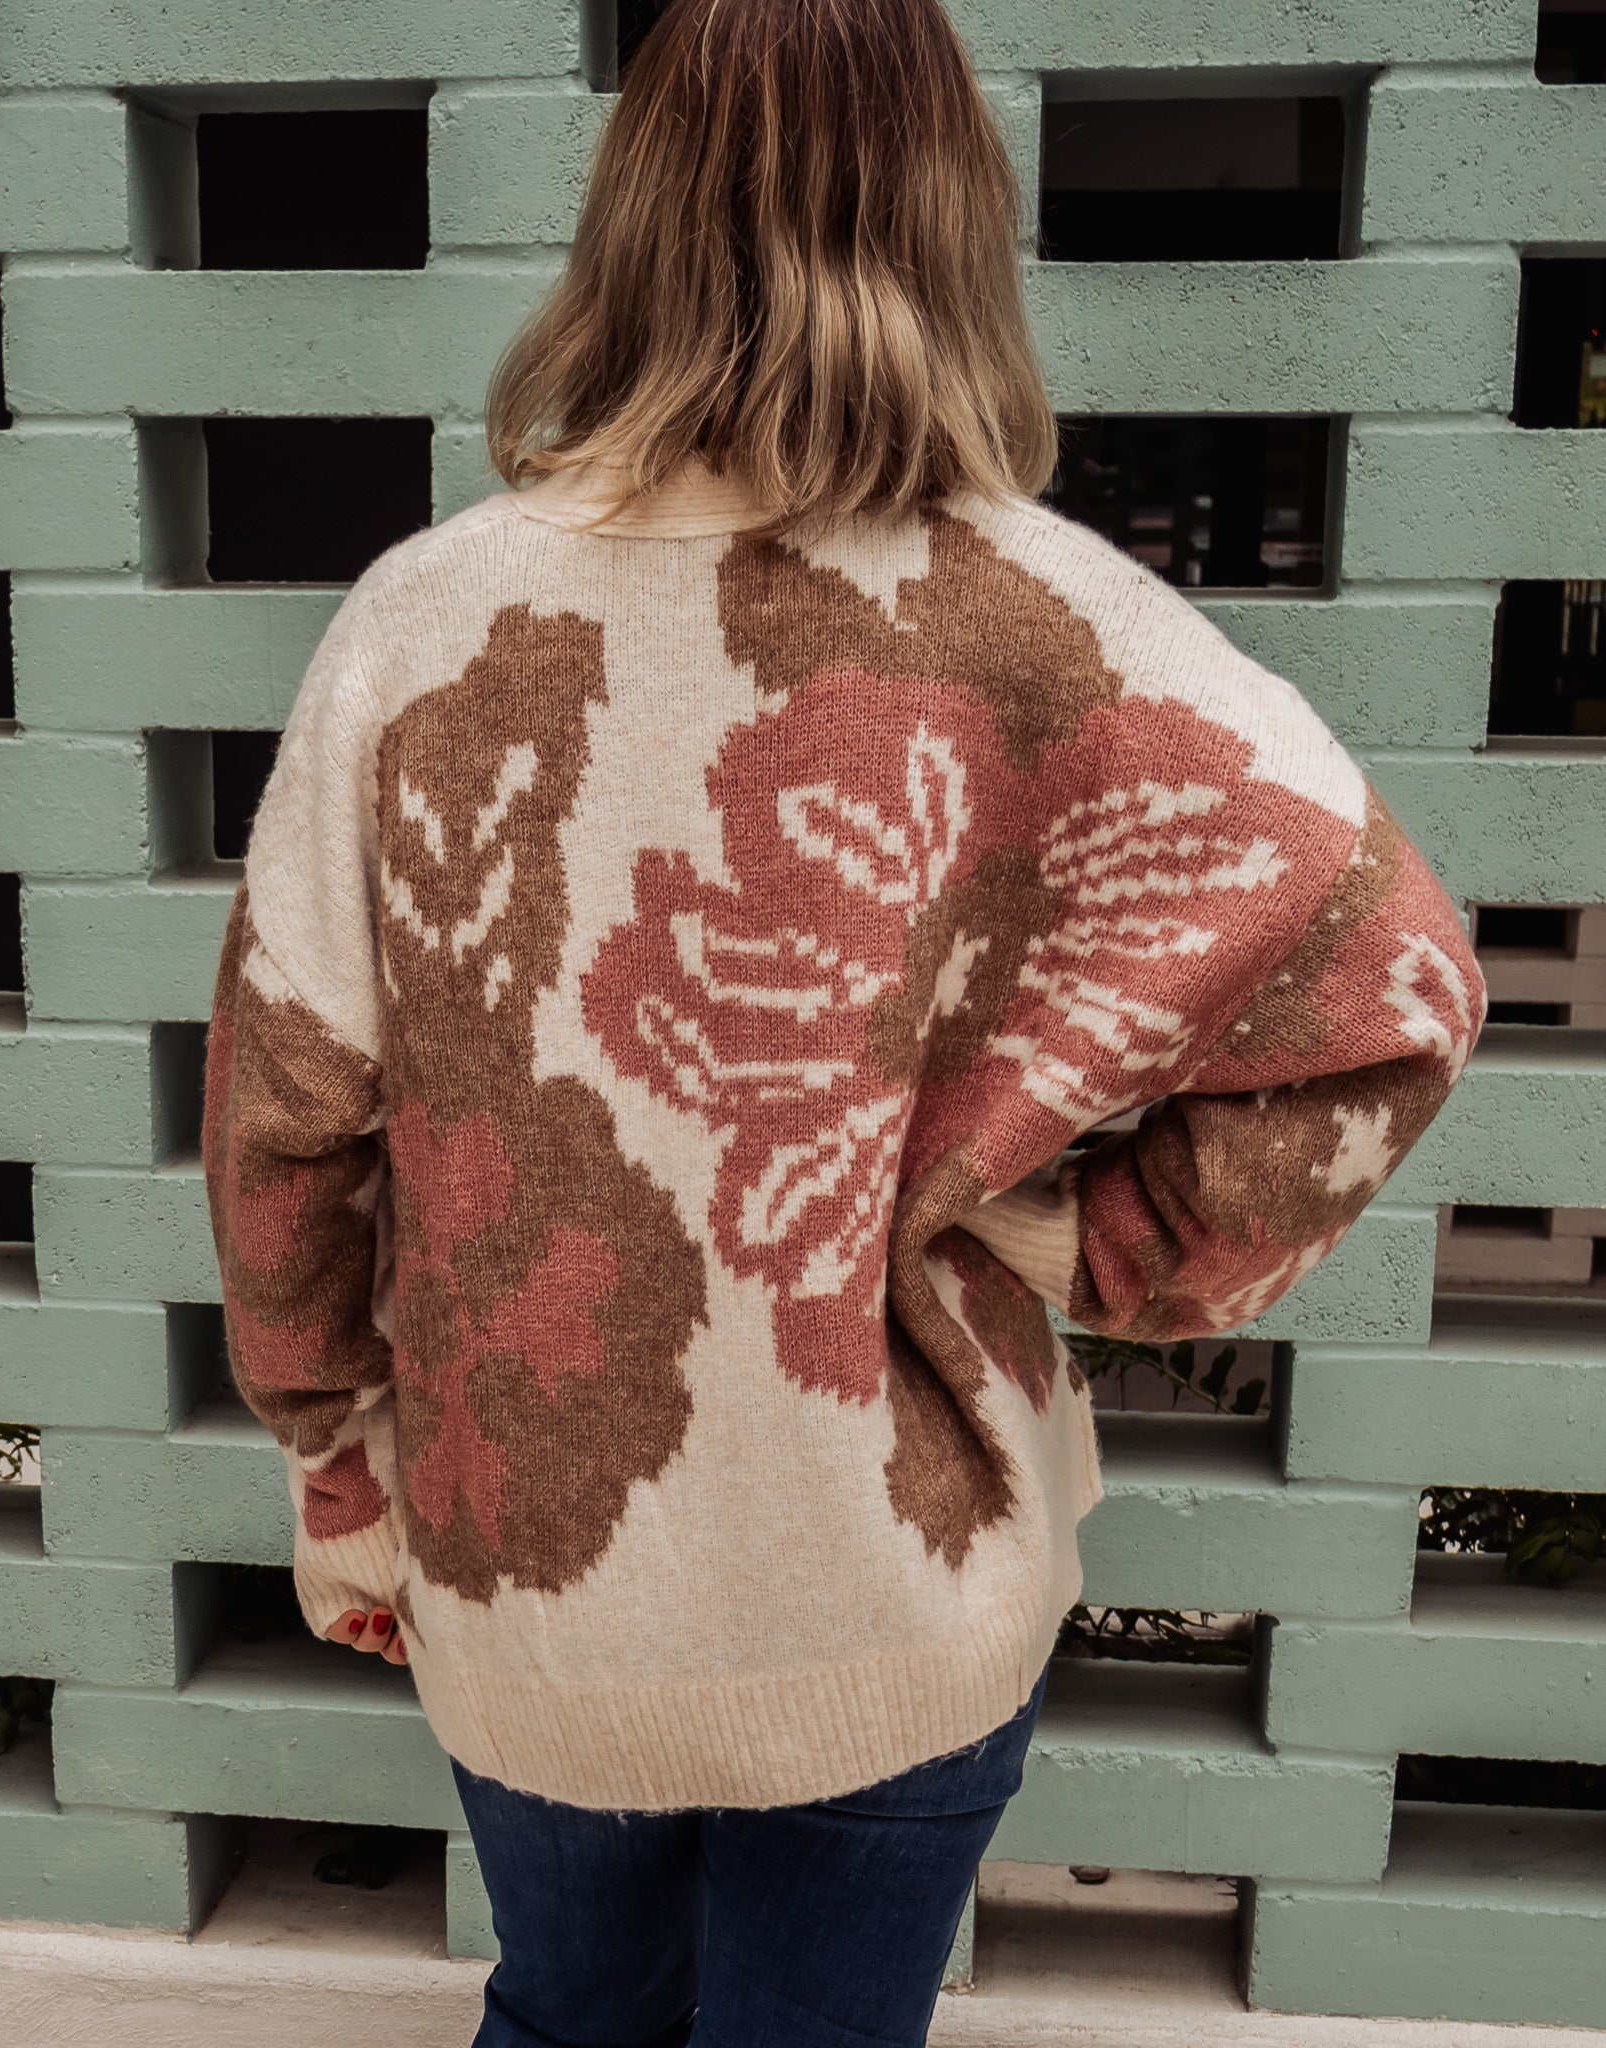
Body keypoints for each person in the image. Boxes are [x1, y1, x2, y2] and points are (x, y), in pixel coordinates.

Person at [200, 1, 1487, 2041]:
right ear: (953, 222)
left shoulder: (418, 625)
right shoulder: (1055, 622)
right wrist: (1087, 1245)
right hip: (906, 1586)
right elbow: (1391, 987)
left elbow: (286, 1114)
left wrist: (335, 1470)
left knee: (562, 2017)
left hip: (530, 1583)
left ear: (628, 219)